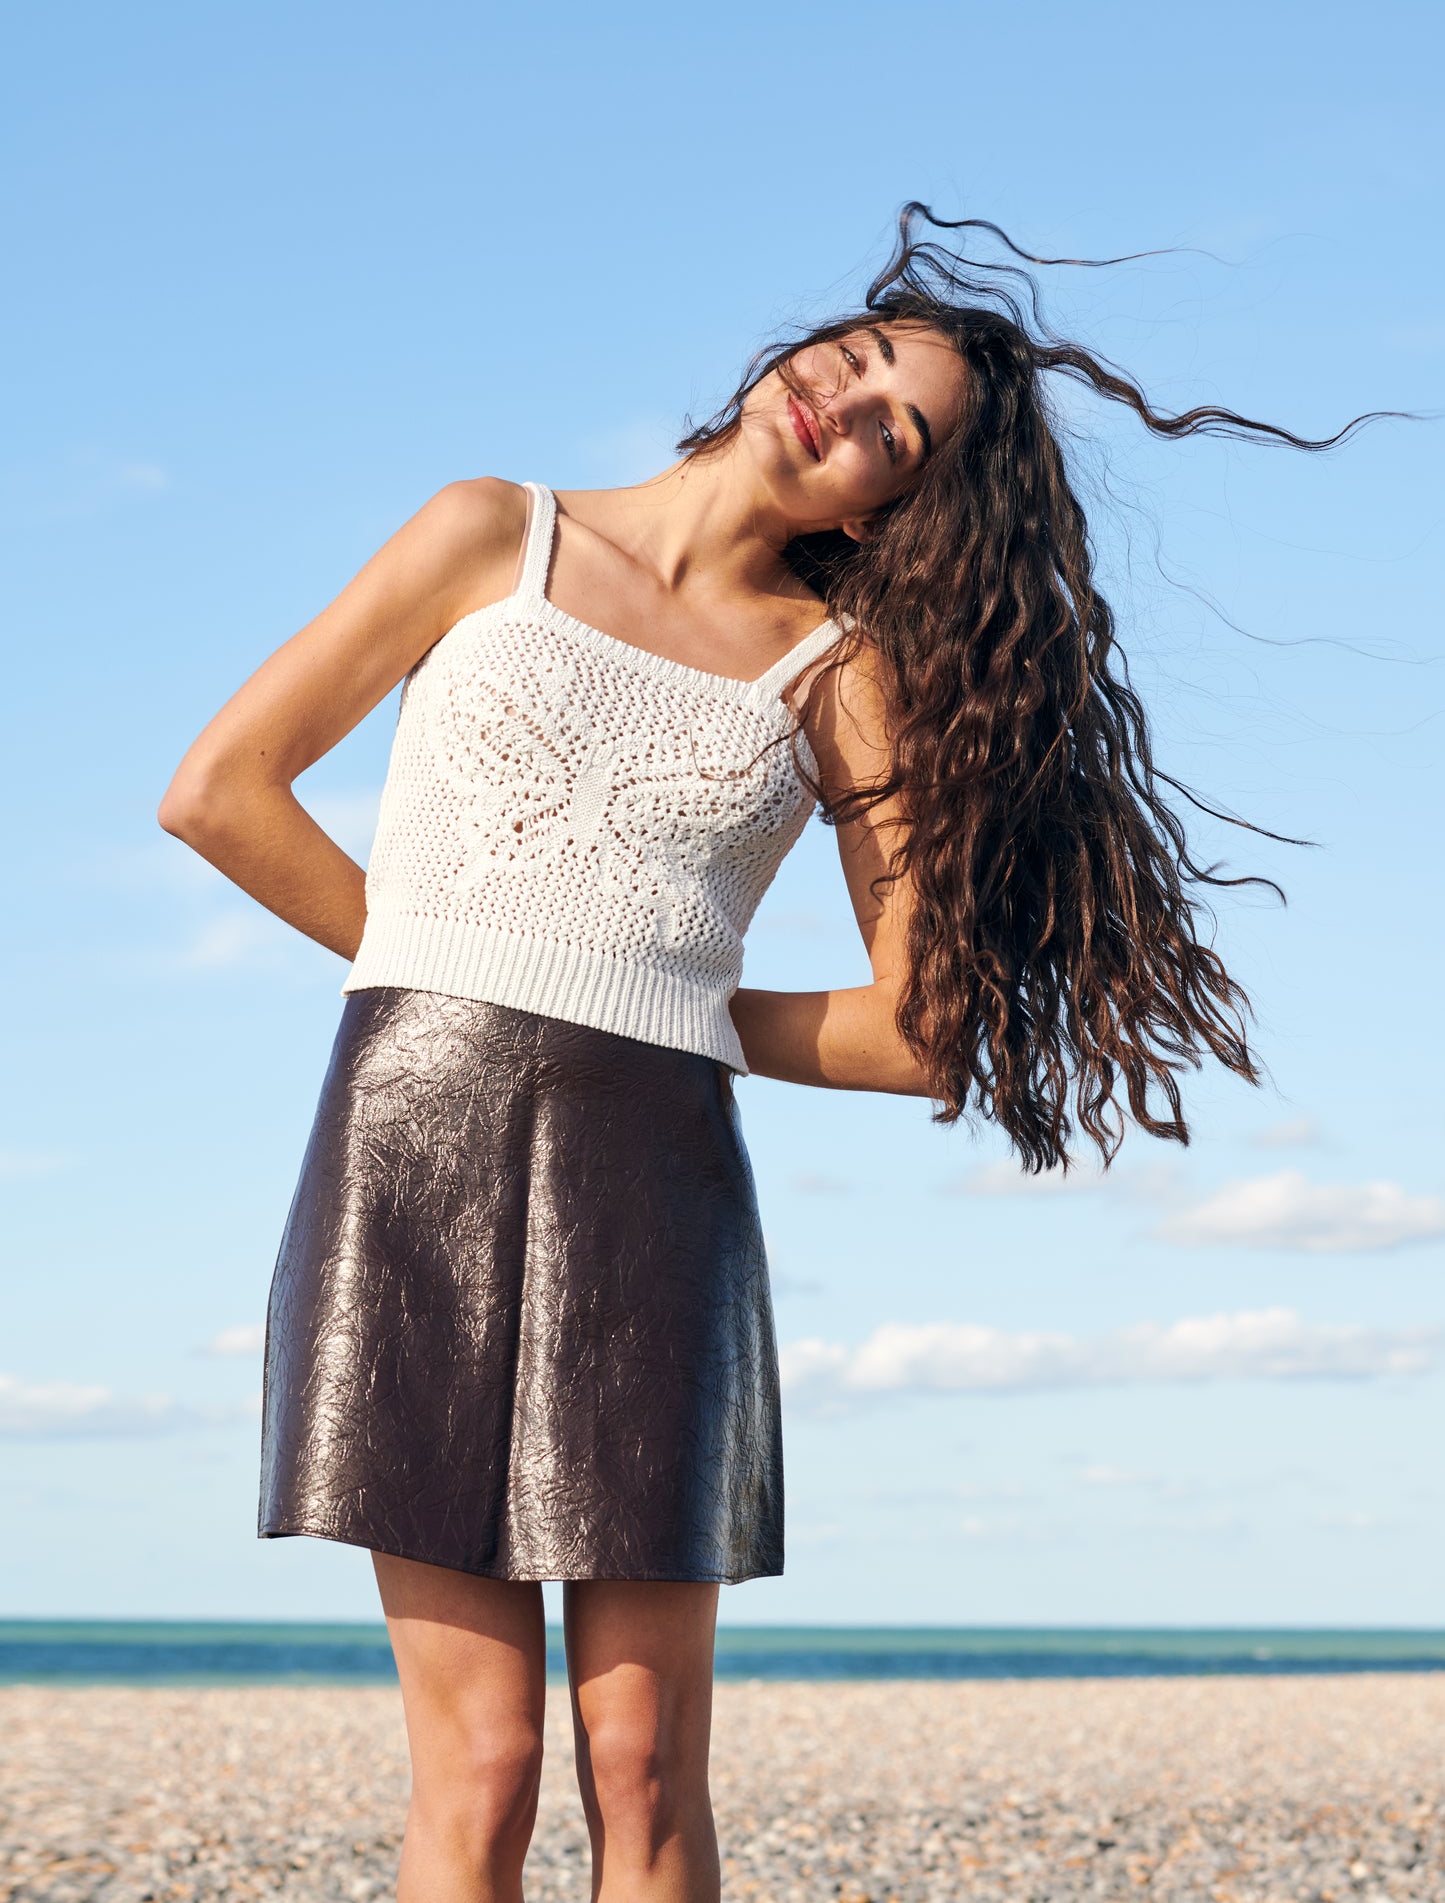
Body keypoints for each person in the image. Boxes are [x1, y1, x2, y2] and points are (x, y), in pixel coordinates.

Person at [159, 207, 1370, 1903]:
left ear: (901, 501)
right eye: (858, 359)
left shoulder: (839, 670)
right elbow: (220, 792)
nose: (847, 404)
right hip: (408, 1143)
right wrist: (463, 959)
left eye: (900, 428)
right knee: (486, 1766)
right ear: (796, 352)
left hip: (653, 1176)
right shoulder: (485, 531)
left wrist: (640, 996)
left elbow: (916, 1032)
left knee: (644, 1771)